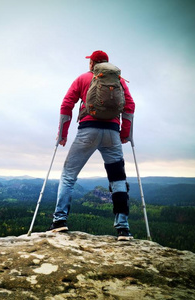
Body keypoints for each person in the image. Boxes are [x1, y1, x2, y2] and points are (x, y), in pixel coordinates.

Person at [47, 50, 135, 241]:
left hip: (88, 131)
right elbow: (130, 106)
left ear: (92, 64)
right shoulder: (119, 82)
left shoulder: (82, 79)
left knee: (69, 175)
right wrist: (125, 133)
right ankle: (123, 229)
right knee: (117, 179)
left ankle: (59, 221)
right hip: (112, 133)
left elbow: (66, 104)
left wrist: (63, 134)